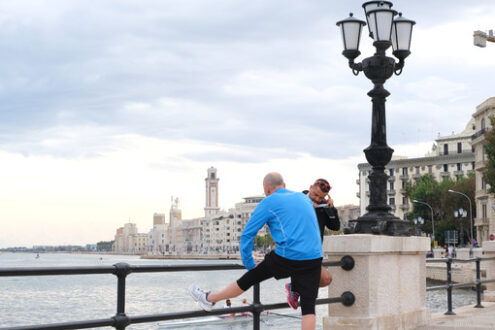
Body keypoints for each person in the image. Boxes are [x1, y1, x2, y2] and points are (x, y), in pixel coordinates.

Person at [189, 172, 323, 330]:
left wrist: (249, 262)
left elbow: (247, 234)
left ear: (267, 189)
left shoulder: (269, 201)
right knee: (308, 308)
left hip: (289, 255)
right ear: (284, 185)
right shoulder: (303, 199)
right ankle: (294, 288)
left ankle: (209, 299)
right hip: (314, 256)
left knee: (247, 280)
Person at [285, 178, 340, 310]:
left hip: (314, 252)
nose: (317, 199)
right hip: (296, 250)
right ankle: (298, 290)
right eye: (315, 195)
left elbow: (335, 226)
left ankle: (295, 287)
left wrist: (331, 209)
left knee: (326, 279)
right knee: (309, 301)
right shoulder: (297, 200)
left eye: (321, 197)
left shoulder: (323, 207)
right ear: (310, 187)